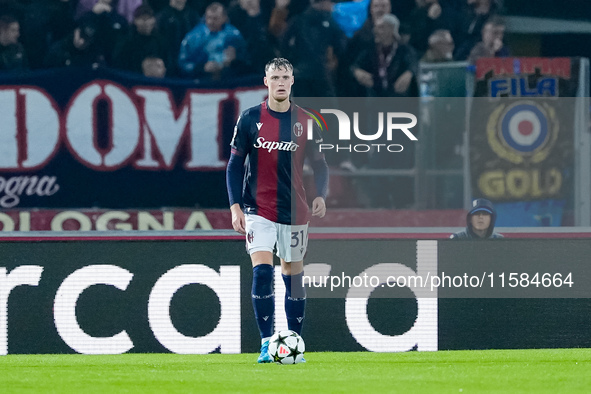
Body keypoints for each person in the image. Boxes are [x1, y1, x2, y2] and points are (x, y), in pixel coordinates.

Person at [226, 57, 328, 363]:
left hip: (295, 211)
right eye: (275, 77)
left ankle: (294, 341)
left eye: (286, 77)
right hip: (257, 207)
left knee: (292, 275)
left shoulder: (307, 122)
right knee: (261, 271)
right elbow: (234, 165)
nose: (281, 82)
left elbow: (321, 166)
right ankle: (266, 342)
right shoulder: (249, 119)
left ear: (292, 81)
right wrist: (235, 206)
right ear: (266, 81)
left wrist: (320, 195)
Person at [178, 2, 248, 80]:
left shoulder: (234, 36)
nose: (210, 22)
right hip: (201, 82)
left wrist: (234, 61)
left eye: (215, 18)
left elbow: (246, 61)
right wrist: (202, 67)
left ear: (224, 18)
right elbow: (182, 64)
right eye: (208, 18)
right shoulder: (193, 37)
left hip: (228, 81)